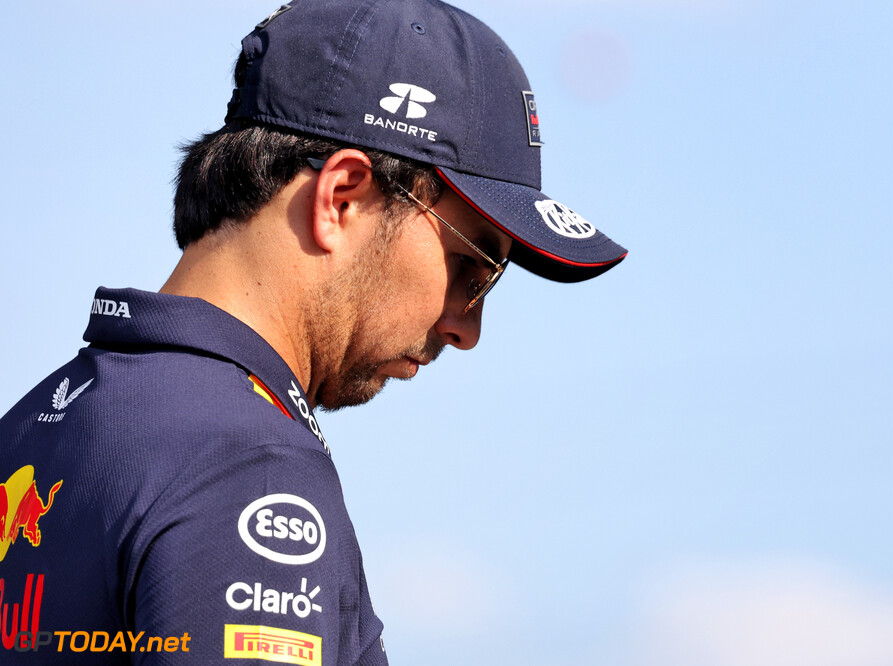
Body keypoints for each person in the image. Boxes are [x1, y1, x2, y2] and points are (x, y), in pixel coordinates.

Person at [0, 0, 626, 663]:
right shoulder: (249, 469)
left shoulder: (34, 426)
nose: (466, 327)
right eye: (472, 267)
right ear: (343, 198)